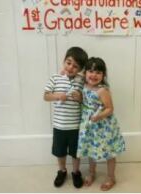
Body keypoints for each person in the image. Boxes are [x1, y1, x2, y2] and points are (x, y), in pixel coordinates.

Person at [77, 57, 126, 191]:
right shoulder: (84, 85)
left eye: (98, 72)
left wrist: (99, 116)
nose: (94, 75)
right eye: (91, 71)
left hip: (103, 126)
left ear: (103, 75)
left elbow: (110, 108)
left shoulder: (102, 90)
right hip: (89, 124)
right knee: (90, 149)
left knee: (109, 152)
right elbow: (75, 75)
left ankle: (111, 177)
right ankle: (92, 172)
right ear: (85, 73)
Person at [43, 46, 88, 188]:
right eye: (68, 63)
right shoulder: (55, 78)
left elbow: (88, 98)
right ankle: (62, 171)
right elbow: (45, 96)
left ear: (80, 69)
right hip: (59, 125)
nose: (70, 68)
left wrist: (80, 98)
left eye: (75, 66)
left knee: (76, 153)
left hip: (75, 126)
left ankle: (76, 172)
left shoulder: (81, 81)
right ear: (64, 61)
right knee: (60, 151)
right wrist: (57, 96)